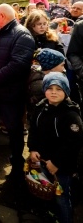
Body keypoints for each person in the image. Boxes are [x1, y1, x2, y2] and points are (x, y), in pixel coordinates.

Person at [0, 4, 36, 179]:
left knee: (14, 131)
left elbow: (18, 64)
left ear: (2, 16)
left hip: (11, 95)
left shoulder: (22, 35)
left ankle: (17, 166)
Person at [28, 72, 83, 223]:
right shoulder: (40, 107)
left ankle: (65, 218)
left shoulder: (71, 115)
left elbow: (74, 143)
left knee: (62, 196)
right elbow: (32, 129)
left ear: (66, 91)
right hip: (43, 160)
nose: (53, 92)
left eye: (59, 89)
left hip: (62, 166)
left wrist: (56, 162)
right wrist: (32, 148)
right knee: (47, 189)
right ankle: (50, 213)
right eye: (50, 88)